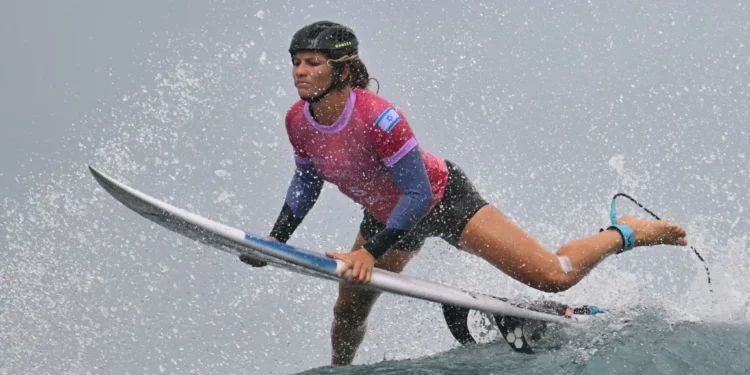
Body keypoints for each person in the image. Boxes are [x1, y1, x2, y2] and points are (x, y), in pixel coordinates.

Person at [239, 21, 688, 366]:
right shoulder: (298, 120)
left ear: (342, 69)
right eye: (296, 61)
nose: (299, 71)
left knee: (555, 275)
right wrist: (277, 236)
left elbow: (416, 193)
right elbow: (307, 181)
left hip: (442, 201)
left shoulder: (380, 118)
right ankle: (340, 370)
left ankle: (624, 232)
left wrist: (369, 253)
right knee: (348, 308)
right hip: (387, 214)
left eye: (312, 63)